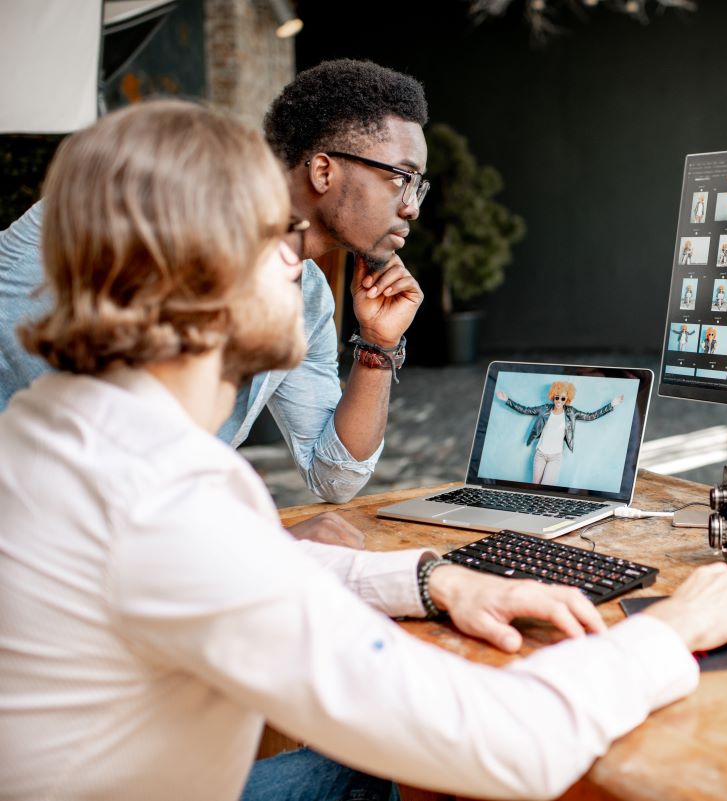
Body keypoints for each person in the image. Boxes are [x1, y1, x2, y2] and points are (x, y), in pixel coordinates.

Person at [0, 100, 727, 801]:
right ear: (199, 274)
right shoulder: (166, 494)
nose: (298, 262)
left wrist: (434, 577)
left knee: (378, 766)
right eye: (274, 237)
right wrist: (670, 630)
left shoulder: (53, 424)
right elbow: (505, 740)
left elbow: (235, 561)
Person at [0, 60, 430, 522]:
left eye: (418, 186)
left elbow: (335, 478)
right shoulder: (134, 220)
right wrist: (270, 544)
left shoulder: (307, 299)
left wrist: (378, 347)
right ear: (323, 171)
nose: (411, 208)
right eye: (400, 178)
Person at [494, 382, 623, 485]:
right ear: (553, 396)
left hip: (555, 457)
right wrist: (507, 400)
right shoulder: (544, 409)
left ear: (567, 399)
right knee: (535, 487)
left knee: (545, 489)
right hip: (540, 454)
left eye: (563, 398)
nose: (559, 401)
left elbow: (591, 416)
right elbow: (525, 410)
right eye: (557, 397)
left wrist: (612, 405)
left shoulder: (571, 412)